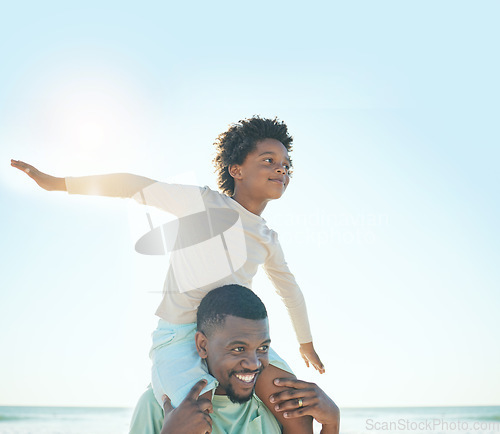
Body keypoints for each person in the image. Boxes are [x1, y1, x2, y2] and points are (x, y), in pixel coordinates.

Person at [11, 116, 324, 432]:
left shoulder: (268, 238)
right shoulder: (202, 202)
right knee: (196, 410)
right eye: (269, 160)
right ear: (237, 170)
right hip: (180, 336)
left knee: (293, 401)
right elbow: (132, 186)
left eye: (286, 164)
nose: (281, 169)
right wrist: (58, 183)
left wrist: (305, 343)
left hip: (235, 339)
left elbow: (290, 291)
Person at [128, 285, 340, 434]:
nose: (254, 363)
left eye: (263, 348)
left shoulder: (273, 405)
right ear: (203, 345)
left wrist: (331, 424)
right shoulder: (157, 406)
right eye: (238, 349)